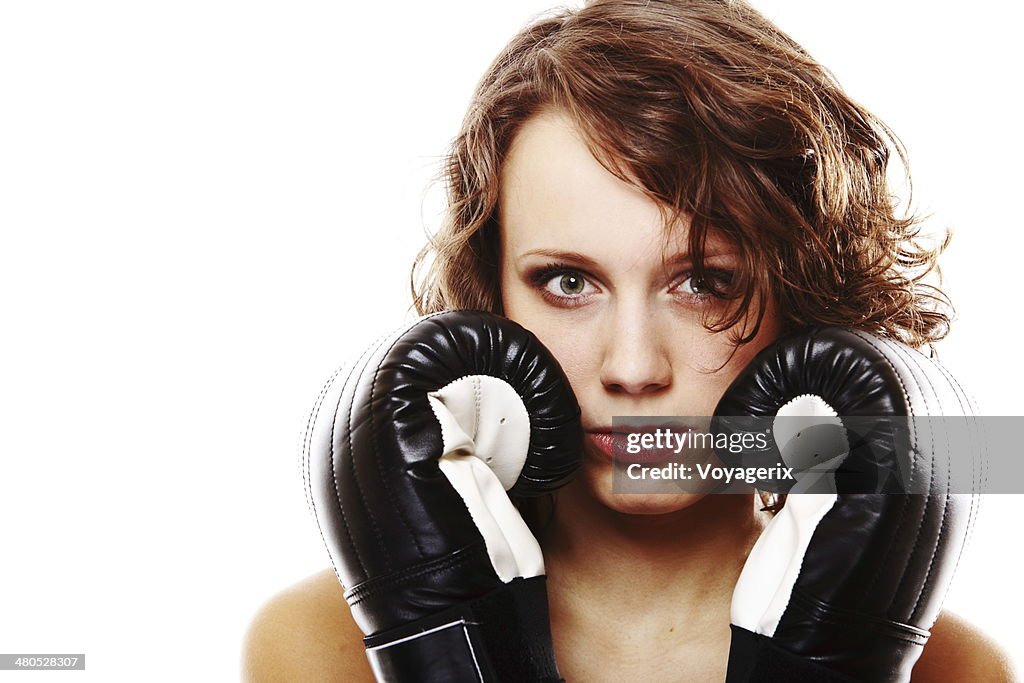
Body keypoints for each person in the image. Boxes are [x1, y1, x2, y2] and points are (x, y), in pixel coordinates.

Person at [243, 1, 1016, 680]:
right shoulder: (321, 649)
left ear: (801, 300)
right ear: (491, 305)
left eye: (702, 282)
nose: (635, 368)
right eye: (568, 283)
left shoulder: (951, 669)